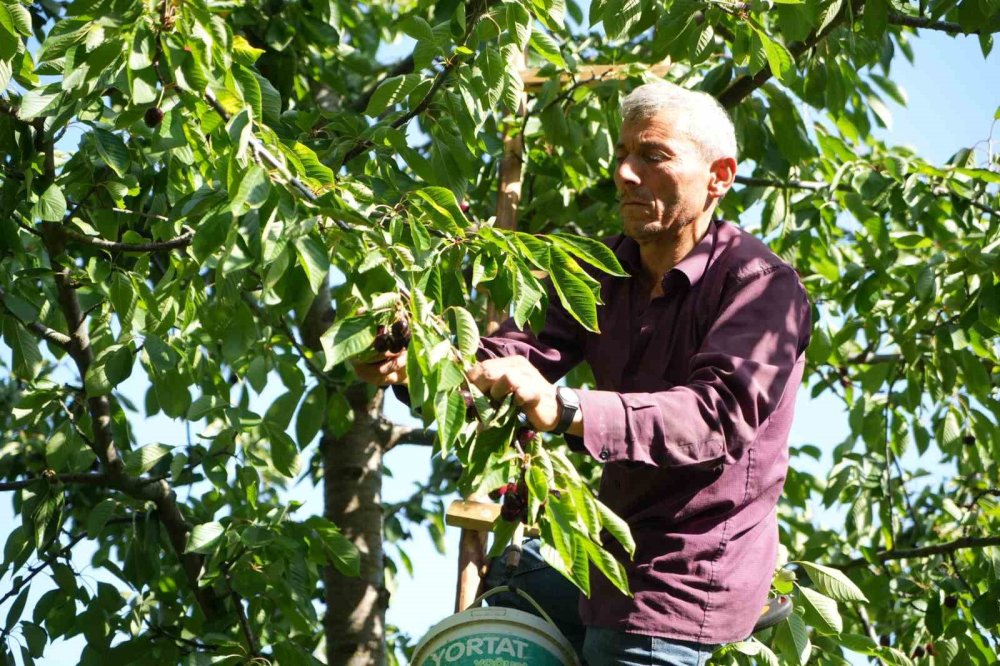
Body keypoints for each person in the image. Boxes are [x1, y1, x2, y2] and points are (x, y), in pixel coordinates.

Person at [353, 81, 811, 666]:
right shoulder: (603, 270)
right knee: (507, 595)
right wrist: (416, 365)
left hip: (681, 587)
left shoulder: (760, 287)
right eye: (622, 154)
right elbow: (518, 355)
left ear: (719, 176)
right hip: (605, 565)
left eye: (653, 155)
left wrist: (565, 407)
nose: (624, 173)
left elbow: (713, 417)